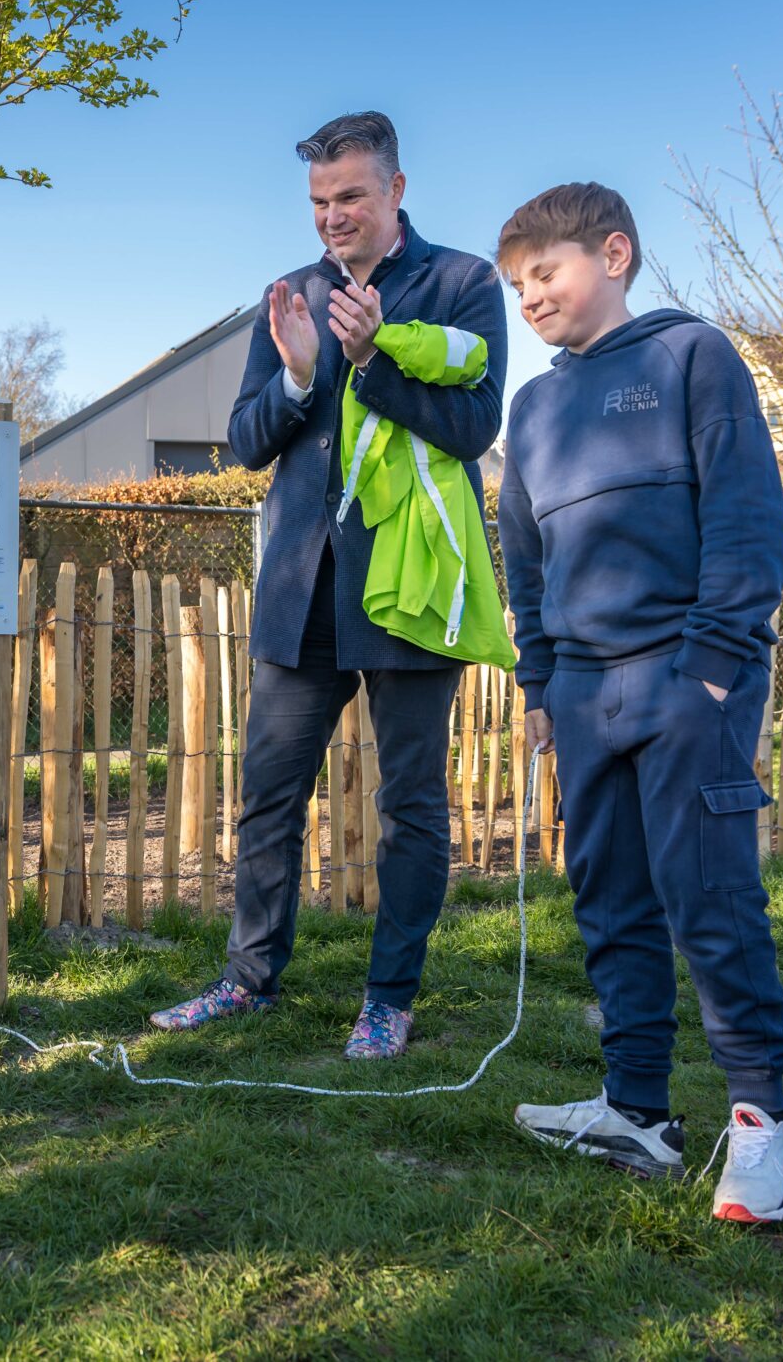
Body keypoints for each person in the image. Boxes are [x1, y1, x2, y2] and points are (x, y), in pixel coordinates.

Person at [150, 111, 507, 1059]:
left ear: (395, 190)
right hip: (299, 590)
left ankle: (389, 997)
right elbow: (244, 440)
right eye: (318, 201)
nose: (332, 217)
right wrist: (303, 379)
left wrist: (369, 361)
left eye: (350, 195)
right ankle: (247, 980)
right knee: (268, 797)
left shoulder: (464, 283)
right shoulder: (292, 293)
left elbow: (474, 429)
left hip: (408, 591)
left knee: (412, 807)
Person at [495, 183, 783, 1222]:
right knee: (612, 907)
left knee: (707, 902)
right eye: (515, 284)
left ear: (614, 253)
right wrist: (540, 684)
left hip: (684, 680)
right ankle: (634, 1111)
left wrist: (710, 672)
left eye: (545, 271)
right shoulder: (532, 409)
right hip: (580, 698)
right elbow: (524, 561)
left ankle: (764, 1130)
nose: (529, 295)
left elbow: (748, 524)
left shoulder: (691, 357)